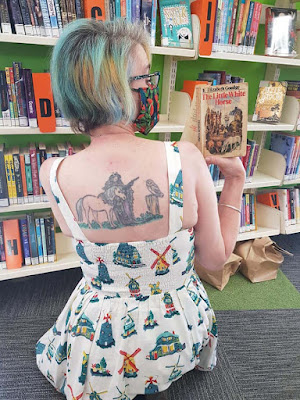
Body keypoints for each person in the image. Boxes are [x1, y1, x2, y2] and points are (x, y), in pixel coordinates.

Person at [35, 18, 246, 400]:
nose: (150, 89)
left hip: (100, 327)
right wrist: (235, 182)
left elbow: (76, 234)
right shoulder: (186, 159)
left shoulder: (52, 174)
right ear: (116, 91)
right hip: (176, 321)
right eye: (145, 79)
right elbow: (216, 260)